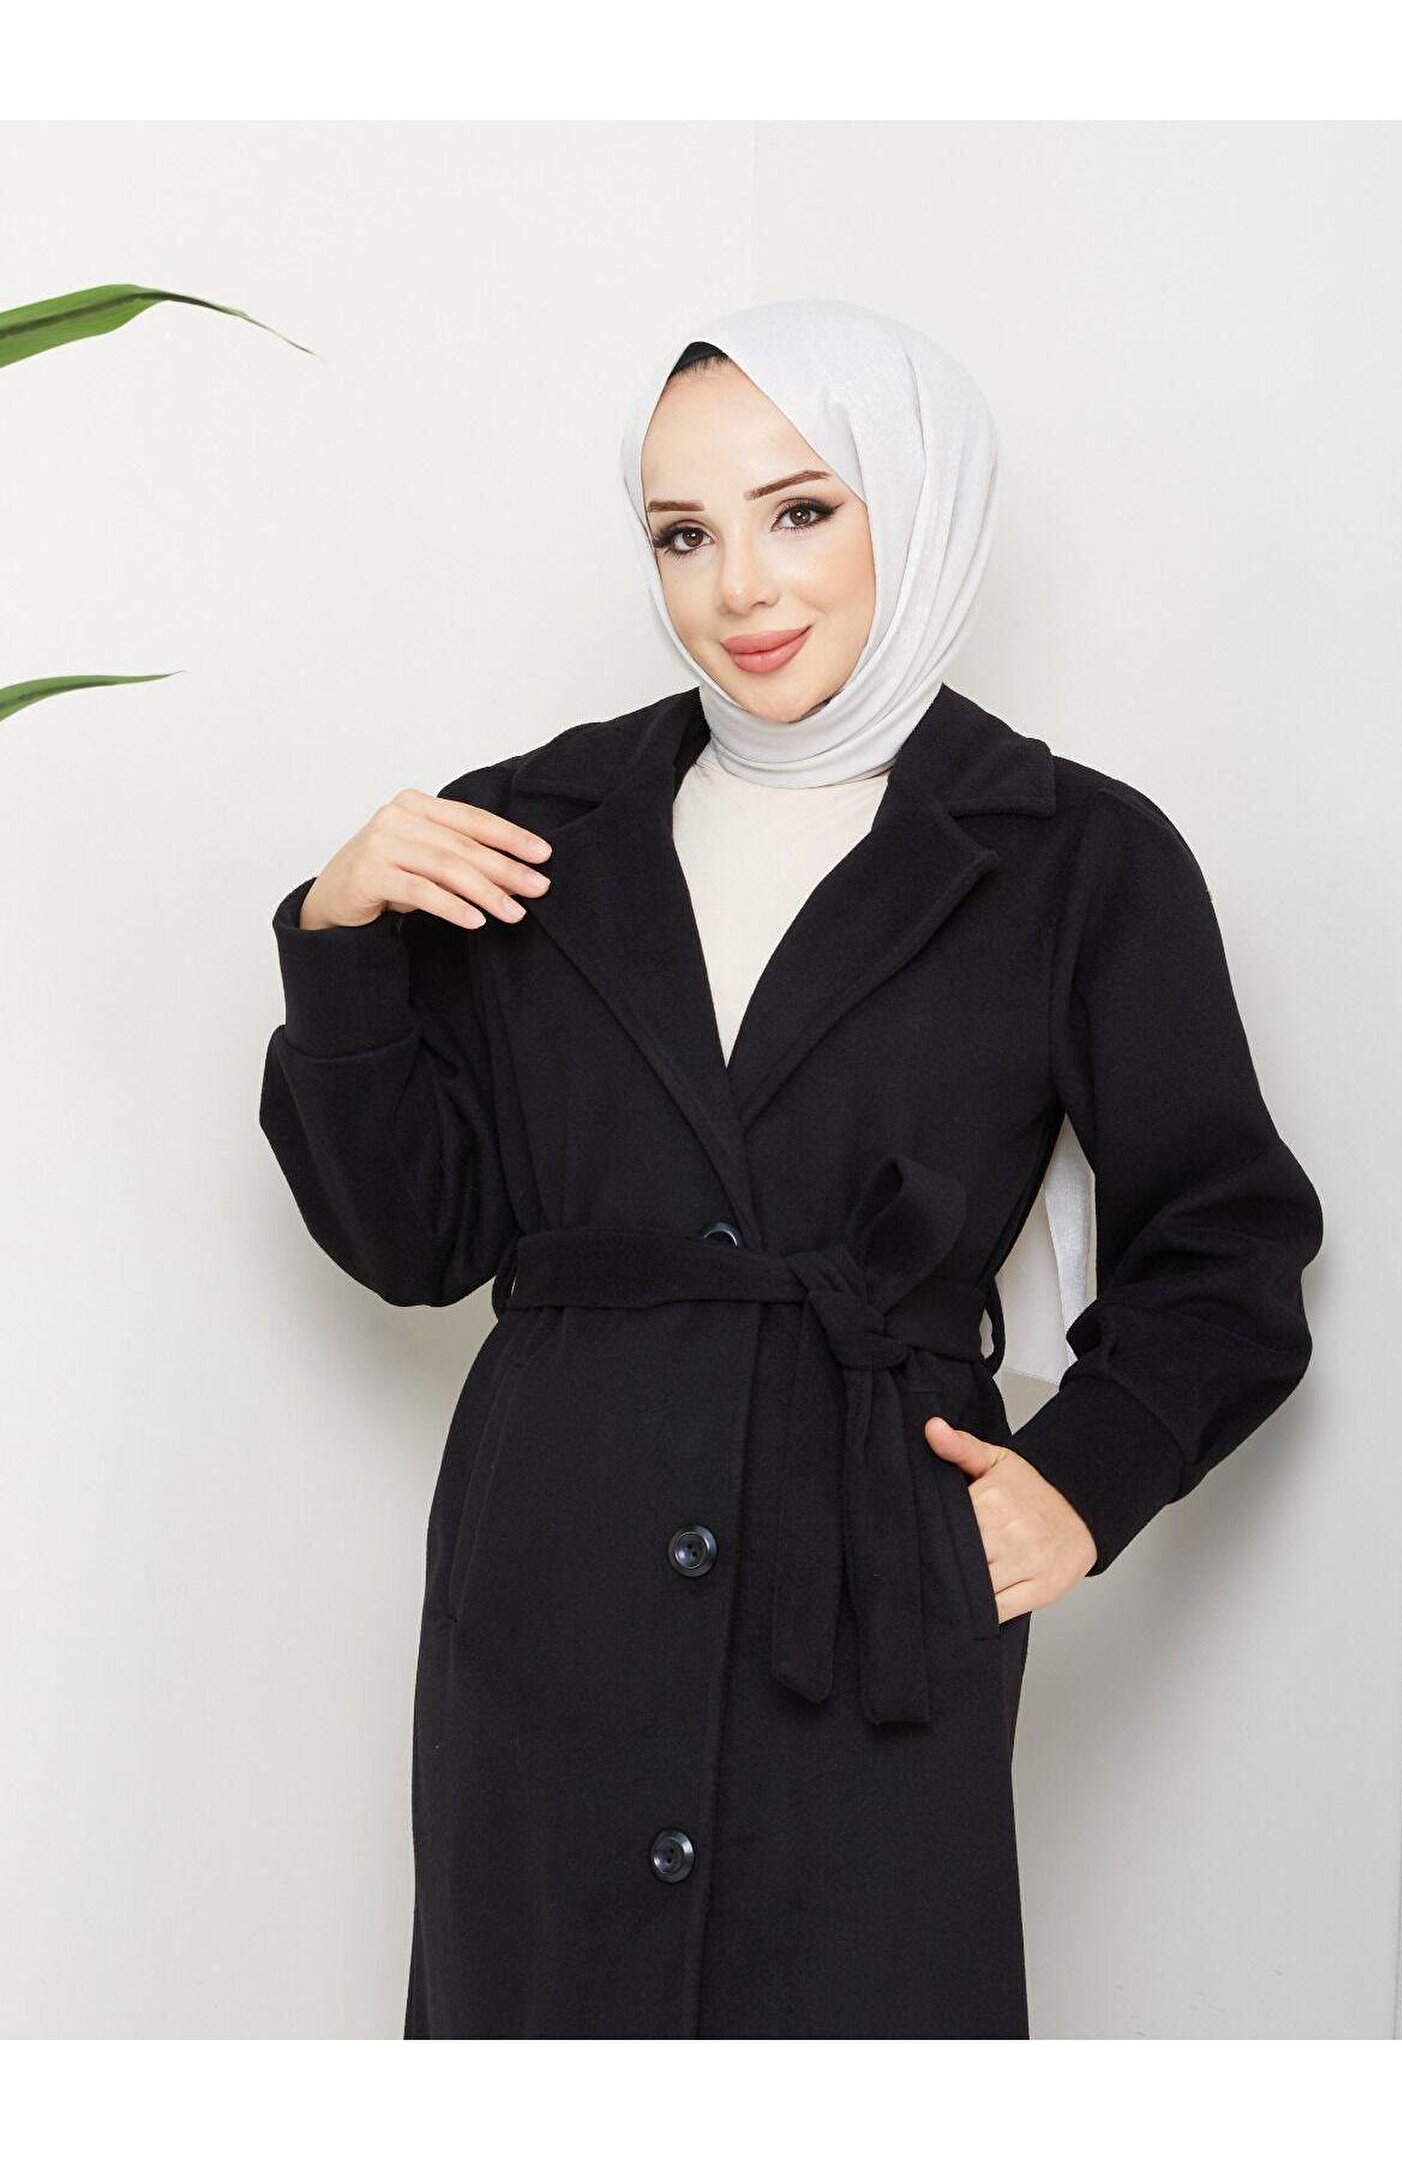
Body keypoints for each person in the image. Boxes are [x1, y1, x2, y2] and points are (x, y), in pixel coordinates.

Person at [259, 296, 1324, 2040]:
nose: (738, 588)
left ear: (921, 498)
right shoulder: (530, 828)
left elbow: (1228, 1242)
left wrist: (1083, 1482)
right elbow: (413, 1243)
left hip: (870, 1566)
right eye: (682, 534)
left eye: (802, 510)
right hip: (558, 1567)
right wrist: (341, 946)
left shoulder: (1077, 856)